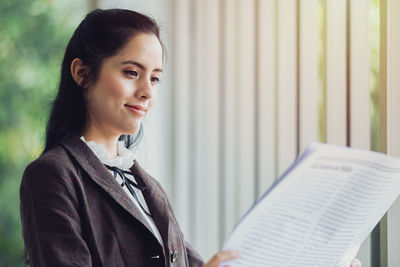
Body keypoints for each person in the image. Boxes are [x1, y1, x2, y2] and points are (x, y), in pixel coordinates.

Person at [19, 8, 362, 267]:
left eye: (154, 79)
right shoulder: (52, 175)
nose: (146, 92)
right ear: (81, 73)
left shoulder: (142, 183)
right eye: (131, 72)